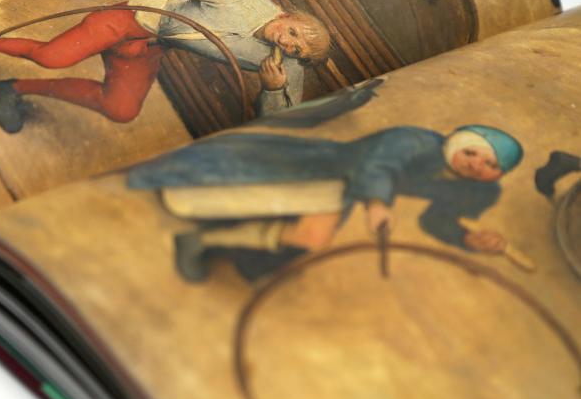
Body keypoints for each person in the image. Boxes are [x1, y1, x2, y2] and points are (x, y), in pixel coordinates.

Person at [0, 0, 331, 132]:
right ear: (288, 15)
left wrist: (270, 90)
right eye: (293, 33)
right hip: (131, 18)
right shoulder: (247, 0)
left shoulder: (283, 66)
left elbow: (279, 120)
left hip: (147, 46)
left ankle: (10, 87)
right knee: (53, 57)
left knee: (122, 109)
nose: (287, 43)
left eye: (297, 49)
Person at [127, 124, 524, 283]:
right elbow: (378, 163)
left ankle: (204, 242)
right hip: (332, 169)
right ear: (459, 143)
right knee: (229, 187)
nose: (477, 166)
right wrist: (377, 204)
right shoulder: (416, 141)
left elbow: (438, 221)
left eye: (491, 166)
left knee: (310, 238)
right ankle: (201, 239)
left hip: (347, 192)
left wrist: (468, 239)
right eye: (473, 153)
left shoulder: (479, 192)